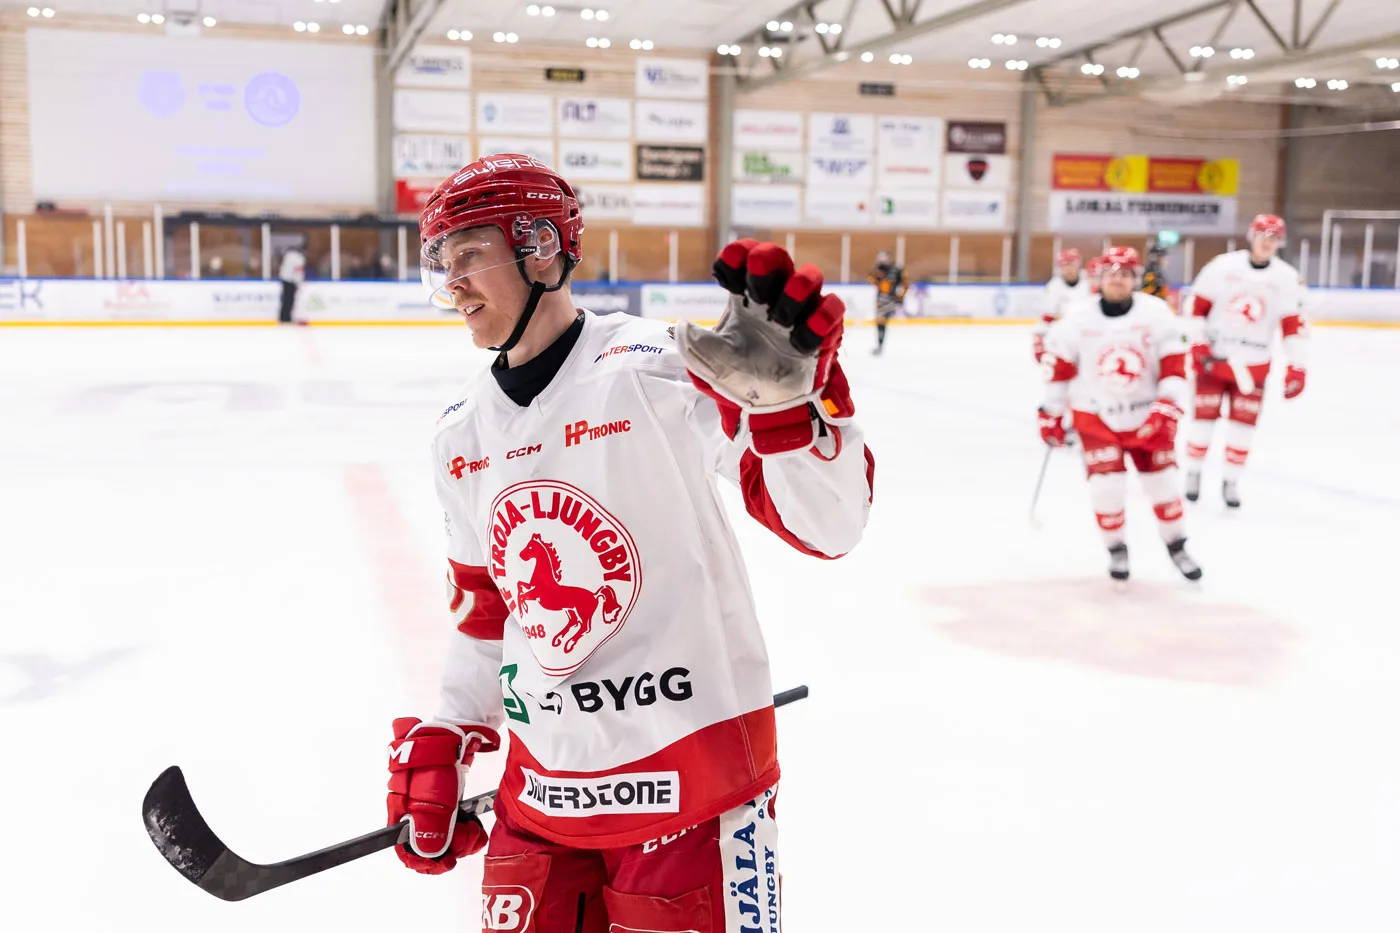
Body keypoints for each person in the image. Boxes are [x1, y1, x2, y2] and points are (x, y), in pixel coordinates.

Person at [384, 154, 874, 933]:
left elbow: (829, 524)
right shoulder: (459, 435)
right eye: (441, 262)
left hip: (692, 789)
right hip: (539, 800)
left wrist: (786, 418)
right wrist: (449, 729)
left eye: (470, 254)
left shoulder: (663, 369)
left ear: (541, 247)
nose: (453, 283)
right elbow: (487, 614)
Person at [1038, 246, 1202, 582]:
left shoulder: (1156, 313)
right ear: (1099, 278)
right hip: (1096, 417)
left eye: (1125, 275)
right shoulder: (1078, 317)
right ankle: (1116, 548)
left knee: (1163, 487)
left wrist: (1168, 404)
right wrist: (1051, 413)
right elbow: (1060, 369)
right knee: (1106, 489)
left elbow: (1174, 363)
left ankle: (1176, 545)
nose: (1118, 281)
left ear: (1135, 279)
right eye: (1112, 275)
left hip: (1148, 416)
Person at [1182, 214, 1308, 508]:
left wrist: (1297, 365)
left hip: (1254, 366)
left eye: (1274, 237)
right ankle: (1194, 472)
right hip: (1214, 361)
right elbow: (1196, 307)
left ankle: (1230, 480)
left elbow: (1294, 327)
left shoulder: (1287, 278)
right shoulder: (1222, 267)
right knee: (1202, 422)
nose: (1267, 242)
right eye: (1263, 235)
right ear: (1252, 236)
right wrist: (1198, 343)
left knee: (1243, 427)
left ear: (1280, 242)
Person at [1032, 248, 1091, 362]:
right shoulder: (1054, 287)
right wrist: (1039, 339)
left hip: (1088, 333)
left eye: (1072, 264)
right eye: (1064, 266)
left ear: (1078, 264)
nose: (1069, 269)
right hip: (1065, 335)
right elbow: (1047, 316)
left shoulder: (1089, 282)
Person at [867, 249, 905, 355]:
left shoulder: (896, 270)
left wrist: (901, 296)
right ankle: (880, 345)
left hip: (892, 300)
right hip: (881, 300)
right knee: (880, 322)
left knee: (883, 321)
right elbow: (870, 280)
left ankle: (881, 345)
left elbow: (904, 283)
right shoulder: (877, 270)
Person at [277, 245, 305, 324]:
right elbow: (299, 271)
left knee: (286, 299)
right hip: (292, 281)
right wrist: (299, 281)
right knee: (289, 300)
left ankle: (283, 317)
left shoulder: (287, 256)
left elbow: (283, 269)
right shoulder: (299, 258)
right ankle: (287, 318)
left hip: (285, 279)